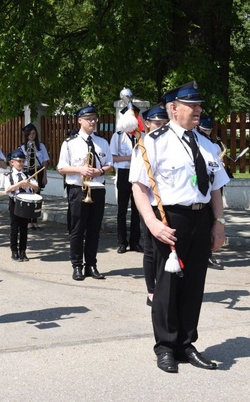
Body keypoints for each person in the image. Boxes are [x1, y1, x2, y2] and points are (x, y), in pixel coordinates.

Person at [129, 81, 228, 373]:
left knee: (195, 283)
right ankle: (166, 346)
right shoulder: (153, 142)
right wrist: (152, 224)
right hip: (170, 218)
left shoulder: (208, 144)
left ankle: (186, 343)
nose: (198, 110)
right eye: (192, 106)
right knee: (168, 285)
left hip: (201, 218)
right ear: (174, 109)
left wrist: (219, 224)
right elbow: (138, 187)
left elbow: (216, 189)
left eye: (199, 106)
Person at [56, 106, 113, 281]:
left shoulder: (102, 142)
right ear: (80, 120)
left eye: (95, 118)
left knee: (94, 230)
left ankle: (91, 264)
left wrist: (100, 172)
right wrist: (81, 169)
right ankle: (77, 265)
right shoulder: (70, 143)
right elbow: (61, 168)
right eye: (89, 119)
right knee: (77, 230)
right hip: (78, 190)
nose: (93, 122)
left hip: (97, 189)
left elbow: (110, 165)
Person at [135, 103, 169, 307]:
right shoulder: (143, 145)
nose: (162, 127)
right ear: (147, 124)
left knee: (165, 250)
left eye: (165, 123)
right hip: (150, 204)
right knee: (150, 249)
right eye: (158, 123)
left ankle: (166, 286)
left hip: (168, 205)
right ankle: (152, 290)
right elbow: (139, 183)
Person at [111, 105, 141, 253]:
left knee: (137, 209)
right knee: (122, 209)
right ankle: (122, 242)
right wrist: (130, 157)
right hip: (124, 172)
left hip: (137, 174)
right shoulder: (118, 135)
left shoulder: (140, 135)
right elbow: (113, 158)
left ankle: (135, 241)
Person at [197, 115, 225, 271]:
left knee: (210, 221)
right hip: (200, 189)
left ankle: (207, 254)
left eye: (208, 130)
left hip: (212, 186)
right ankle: (204, 255)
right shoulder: (197, 142)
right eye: (203, 129)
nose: (206, 132)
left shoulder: (214, 145)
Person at [2, 149, 39, 261]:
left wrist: (29, 184)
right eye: (19, 161)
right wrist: (19, 184)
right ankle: (14, 251)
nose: (21, 163)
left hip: (26, 203)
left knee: (24, 228)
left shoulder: (27, 174)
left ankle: (23, 251)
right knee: (14, 228)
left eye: (23, 161)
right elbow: (7, 190)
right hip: (15, 202)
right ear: (12, 162)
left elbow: (37, 188)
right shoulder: (8, 175)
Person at [20, 123, 50, 230]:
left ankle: (35, 221)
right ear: (26, 135)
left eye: (34, 133)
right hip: (28, 171)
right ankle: (28, 221)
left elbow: (45, 161)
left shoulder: (41, 146)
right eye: (30, 134)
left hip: (39, 171)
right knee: (28, 196)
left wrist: (45, 176)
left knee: (37, 197)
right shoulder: (23, 147)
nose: (32, 135)